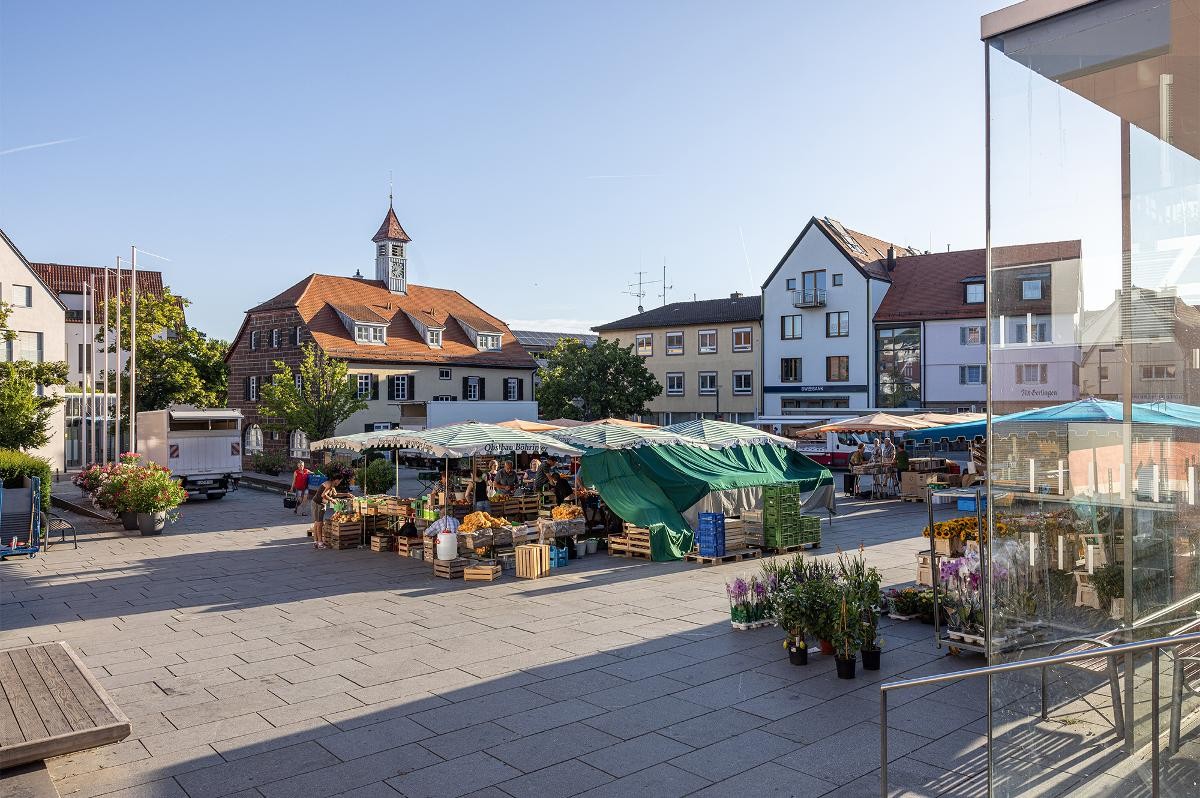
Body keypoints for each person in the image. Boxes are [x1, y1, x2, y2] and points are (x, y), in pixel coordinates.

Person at [311, 474, 345, 549]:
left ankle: (316, 542)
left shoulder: (331, 485)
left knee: (317, 522)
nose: (339, 483)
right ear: (337, 480)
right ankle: (320, 543)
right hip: (318, 504)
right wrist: (332, 500)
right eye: (340, 481)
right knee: (319, 523)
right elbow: (324, 495)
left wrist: (347, 494)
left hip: (318, 503)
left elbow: (335, 494)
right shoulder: (329, 485)